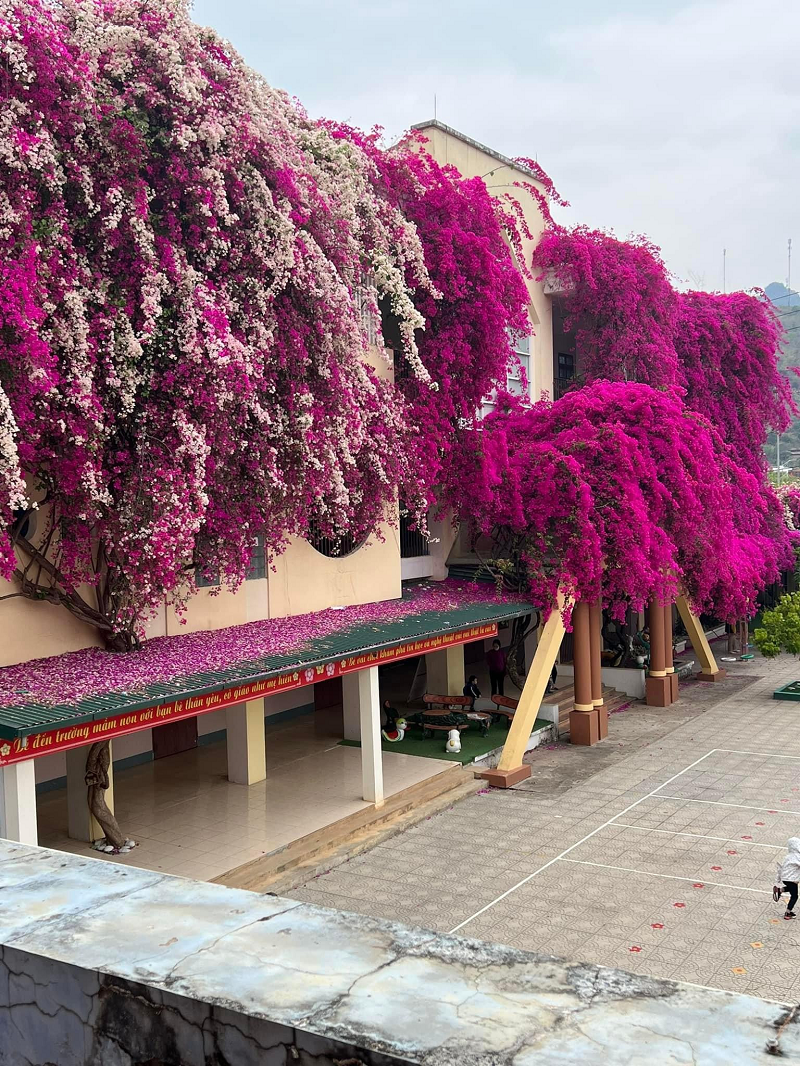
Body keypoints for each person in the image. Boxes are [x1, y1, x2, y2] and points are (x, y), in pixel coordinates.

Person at [774, 837, 800, 920]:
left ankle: (780, 890)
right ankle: (788, 913)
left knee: (790, 888)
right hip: (792, 879)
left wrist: (778, 879)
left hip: (785, 878)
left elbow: (781, 867)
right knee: (794, 896)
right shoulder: (797, 856)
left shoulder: (788, 856)